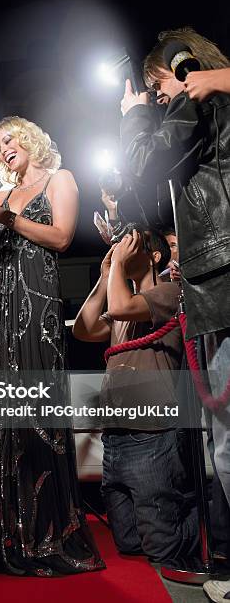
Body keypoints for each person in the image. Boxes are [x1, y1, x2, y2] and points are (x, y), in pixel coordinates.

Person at [0, 116, 104, 576]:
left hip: (35, 307)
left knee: (34, 409)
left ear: (30, 139)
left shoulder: (61, 178)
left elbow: (61, 237)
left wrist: (9, 218)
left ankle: (45, 531)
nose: (3, 146)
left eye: (9, 137)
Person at [118, 27, 230, 600]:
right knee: (219, 443)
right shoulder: (201, 114)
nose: (159, 101)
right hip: (212, 285)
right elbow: (141, 199)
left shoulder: (207, 98)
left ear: (183, 69)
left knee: (227, 444)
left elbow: (139, 163)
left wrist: (135, 118)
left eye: (158, 88)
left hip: (224, 276)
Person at [73, 227, 199, 563]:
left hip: (152, 436)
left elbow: (121, 306)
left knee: (162, 547)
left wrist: (117, 266)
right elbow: (83, 329)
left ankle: (205, 515)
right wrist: (105, 274)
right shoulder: (120, 304)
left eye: (131, 244)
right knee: (129, 543)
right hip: (116, 438)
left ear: (154, 256)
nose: (120, 249)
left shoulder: (171, 292)